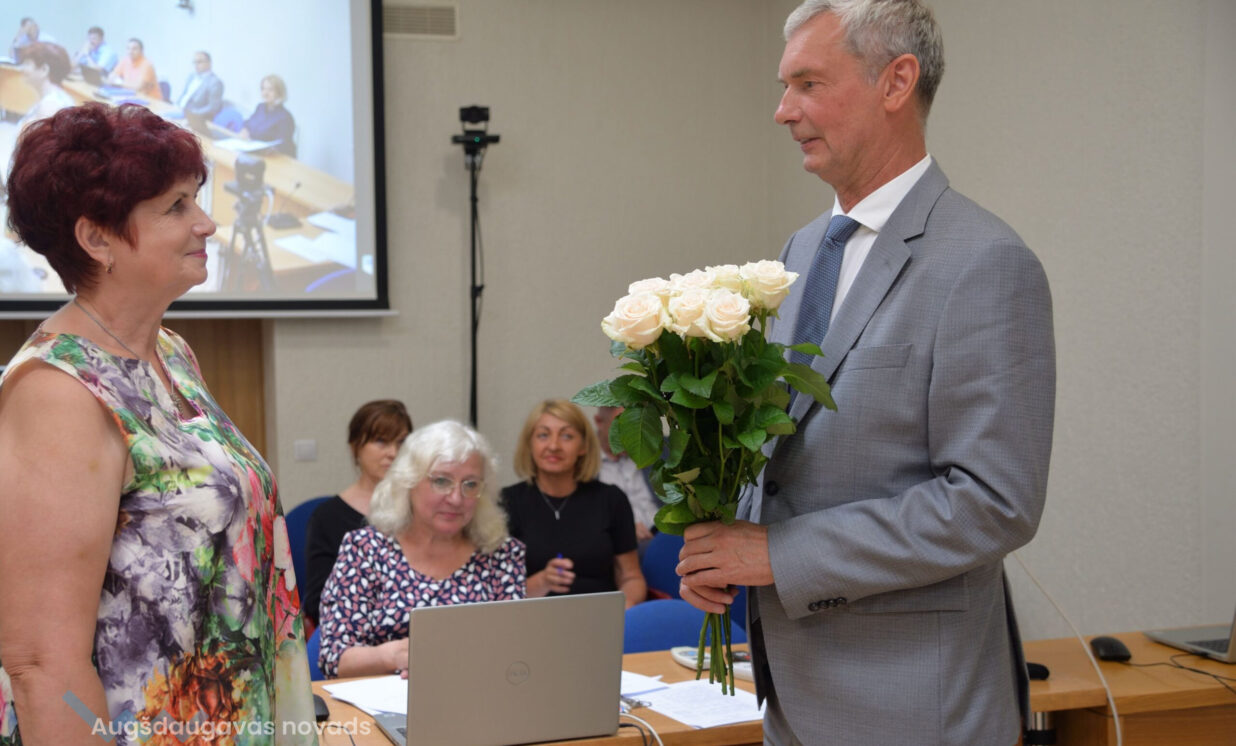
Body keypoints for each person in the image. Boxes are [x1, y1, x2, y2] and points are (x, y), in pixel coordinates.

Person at [675, 2, 1056, 744]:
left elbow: (993, 502)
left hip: (912, 705)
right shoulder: (801, 249)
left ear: (896, 82)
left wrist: (777, 555)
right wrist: (724, 546)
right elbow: (787, 453)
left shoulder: (985, 263)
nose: (784, 111)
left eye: (809, 83)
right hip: (792, 699)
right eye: (785, 87)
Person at [0, 103, 318, 743]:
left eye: (196, 198)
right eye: (175, 206)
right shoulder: (59, 392)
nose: (207, 223)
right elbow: (42, 664)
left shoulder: (169, 353)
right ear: (97, 240)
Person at [317, 420, 525, 678]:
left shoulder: (501, 555)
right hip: (382, 697)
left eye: (470, 484)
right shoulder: (365, 550)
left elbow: (514, 652)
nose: (456, 498)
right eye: (442, 481)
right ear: (409, 482)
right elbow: (334, 658)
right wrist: (392, 656)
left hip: (476, 692)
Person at [501, 399, 647, 608]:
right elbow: (496, 593)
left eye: (567, 436)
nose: (554, 446)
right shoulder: (507, 502)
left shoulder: (611, 499)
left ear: (583, 446)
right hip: (531, 620)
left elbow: (631, 578)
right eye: (543, 435)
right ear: (529, 444)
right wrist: (542, 582)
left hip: (599, 617)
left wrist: (625, 607)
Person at [302, 399, 413, 625]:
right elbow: (317, 601)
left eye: (401, 442)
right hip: (356, 628)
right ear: (355, 447)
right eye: (381, 441)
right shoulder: (327, 517)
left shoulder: (423, 508)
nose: (393, 453)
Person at [593, 405, 660, 551]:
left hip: (667, 536)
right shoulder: (583, 464)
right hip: (621, 546)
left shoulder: (659, 450)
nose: (631, 434)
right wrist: (622, 529)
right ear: (599, 422)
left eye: (634, 425)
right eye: (622, 426)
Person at [13, 42, 75, 128]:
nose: (22, 69)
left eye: (27, 64)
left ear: (44, 70)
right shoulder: (54, 97)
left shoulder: (50, 105)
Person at [240, 74, 296, 157]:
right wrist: (245, 130)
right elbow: (249, 123)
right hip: (254, 153)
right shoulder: (260, 107)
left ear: (279, 93)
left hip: (274, 158)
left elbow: (283, 145)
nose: (265, 93)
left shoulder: (285, 117)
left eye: (270, 90)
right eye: (263, 89)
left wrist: (272, 149)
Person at [176, 50, 224, 120]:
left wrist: (192, 114)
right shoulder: (191, 76)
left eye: (199, 62)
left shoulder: (215, 83)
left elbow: (213, 107)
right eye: (195, 62)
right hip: (178, 110)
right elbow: (184, 94)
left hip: (193, 118)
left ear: (209, 63)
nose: (196, 65)